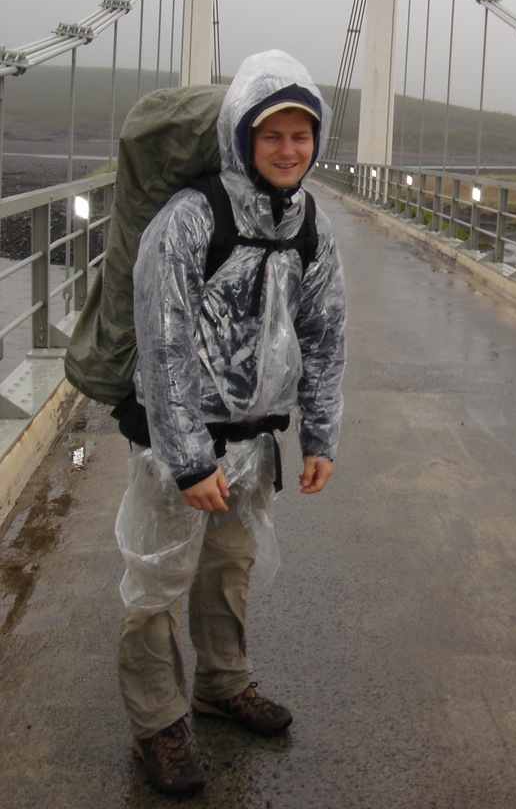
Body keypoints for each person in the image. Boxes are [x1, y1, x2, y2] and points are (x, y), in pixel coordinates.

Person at [114, 50, 347, 796]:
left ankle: (222, 684)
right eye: (271, 134)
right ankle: (157, 723)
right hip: (176, 444)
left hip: (252, 443)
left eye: (301, 136)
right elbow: (163, 343)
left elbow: (324, 335)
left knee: (229, 570)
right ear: (242, 137)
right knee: (158, 580)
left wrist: (319, 435)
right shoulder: (190, 218)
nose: (288, 149)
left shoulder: (309, 223)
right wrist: (187, 459)